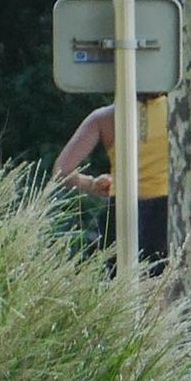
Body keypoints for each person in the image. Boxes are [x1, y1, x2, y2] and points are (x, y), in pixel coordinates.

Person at [51, 93, 169, 266]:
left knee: (123, 286)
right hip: (167, 212)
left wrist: (92, 185)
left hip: (121, 212)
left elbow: (62, 171)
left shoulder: (105, 117)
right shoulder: (180, 112)